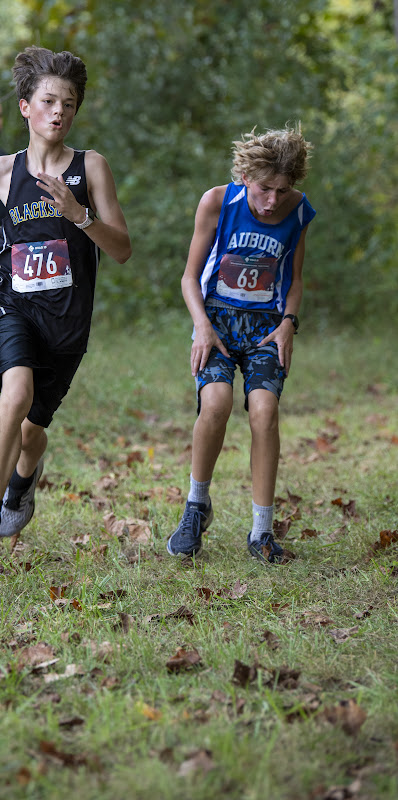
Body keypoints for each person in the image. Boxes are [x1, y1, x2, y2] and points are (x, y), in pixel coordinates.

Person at [167, 126, 316, 564]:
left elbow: (295, 278)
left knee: (265, 411)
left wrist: (289, 322)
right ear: (246, 175)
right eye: (264, 188)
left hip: (266, 328)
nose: (272, 201)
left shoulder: (299, 211)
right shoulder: (218, 201)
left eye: (282, 190)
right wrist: (203, 326)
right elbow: (189, 277)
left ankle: (261, 532)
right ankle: (197, 506)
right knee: (215, 404)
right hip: (216, 320)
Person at [0, 46, 131, 538]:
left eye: (69, 104)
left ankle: (22, 480)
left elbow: (121, 250)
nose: (59, 111)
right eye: (50, 101)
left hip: (67, 323)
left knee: (31, 433)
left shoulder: (91, 167)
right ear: (25, 107)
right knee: (14, 395)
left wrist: (80, 215)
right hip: (13, 308)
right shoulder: (4, 173)